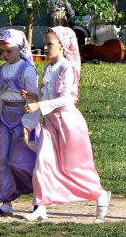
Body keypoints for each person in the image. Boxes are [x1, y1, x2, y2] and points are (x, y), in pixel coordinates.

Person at [22, 26, 111, 221]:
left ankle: (99, 194)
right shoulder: (48, 67)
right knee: (42, 163)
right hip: (50, 123)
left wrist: (39, 104)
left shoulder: (67, 68)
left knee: (75, 168)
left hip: (67, 124)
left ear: (62, 46)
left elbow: (65, 99)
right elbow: (48, 94)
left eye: (50, 44)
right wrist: (33, 96)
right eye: (44, 43)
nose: (45, 47)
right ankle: (41, 207)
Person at [0, 29, 40, 215]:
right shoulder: (1, 70)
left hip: (22, 121)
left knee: (21, 162)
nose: (4, 54)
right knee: (4, 161)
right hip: (6, 120)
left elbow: (33, 99)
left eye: (8, 50)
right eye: (2, 50)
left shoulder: (28, 69)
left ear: (19, 48)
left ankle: (39, 196)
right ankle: (6, 202)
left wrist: (28, 124)